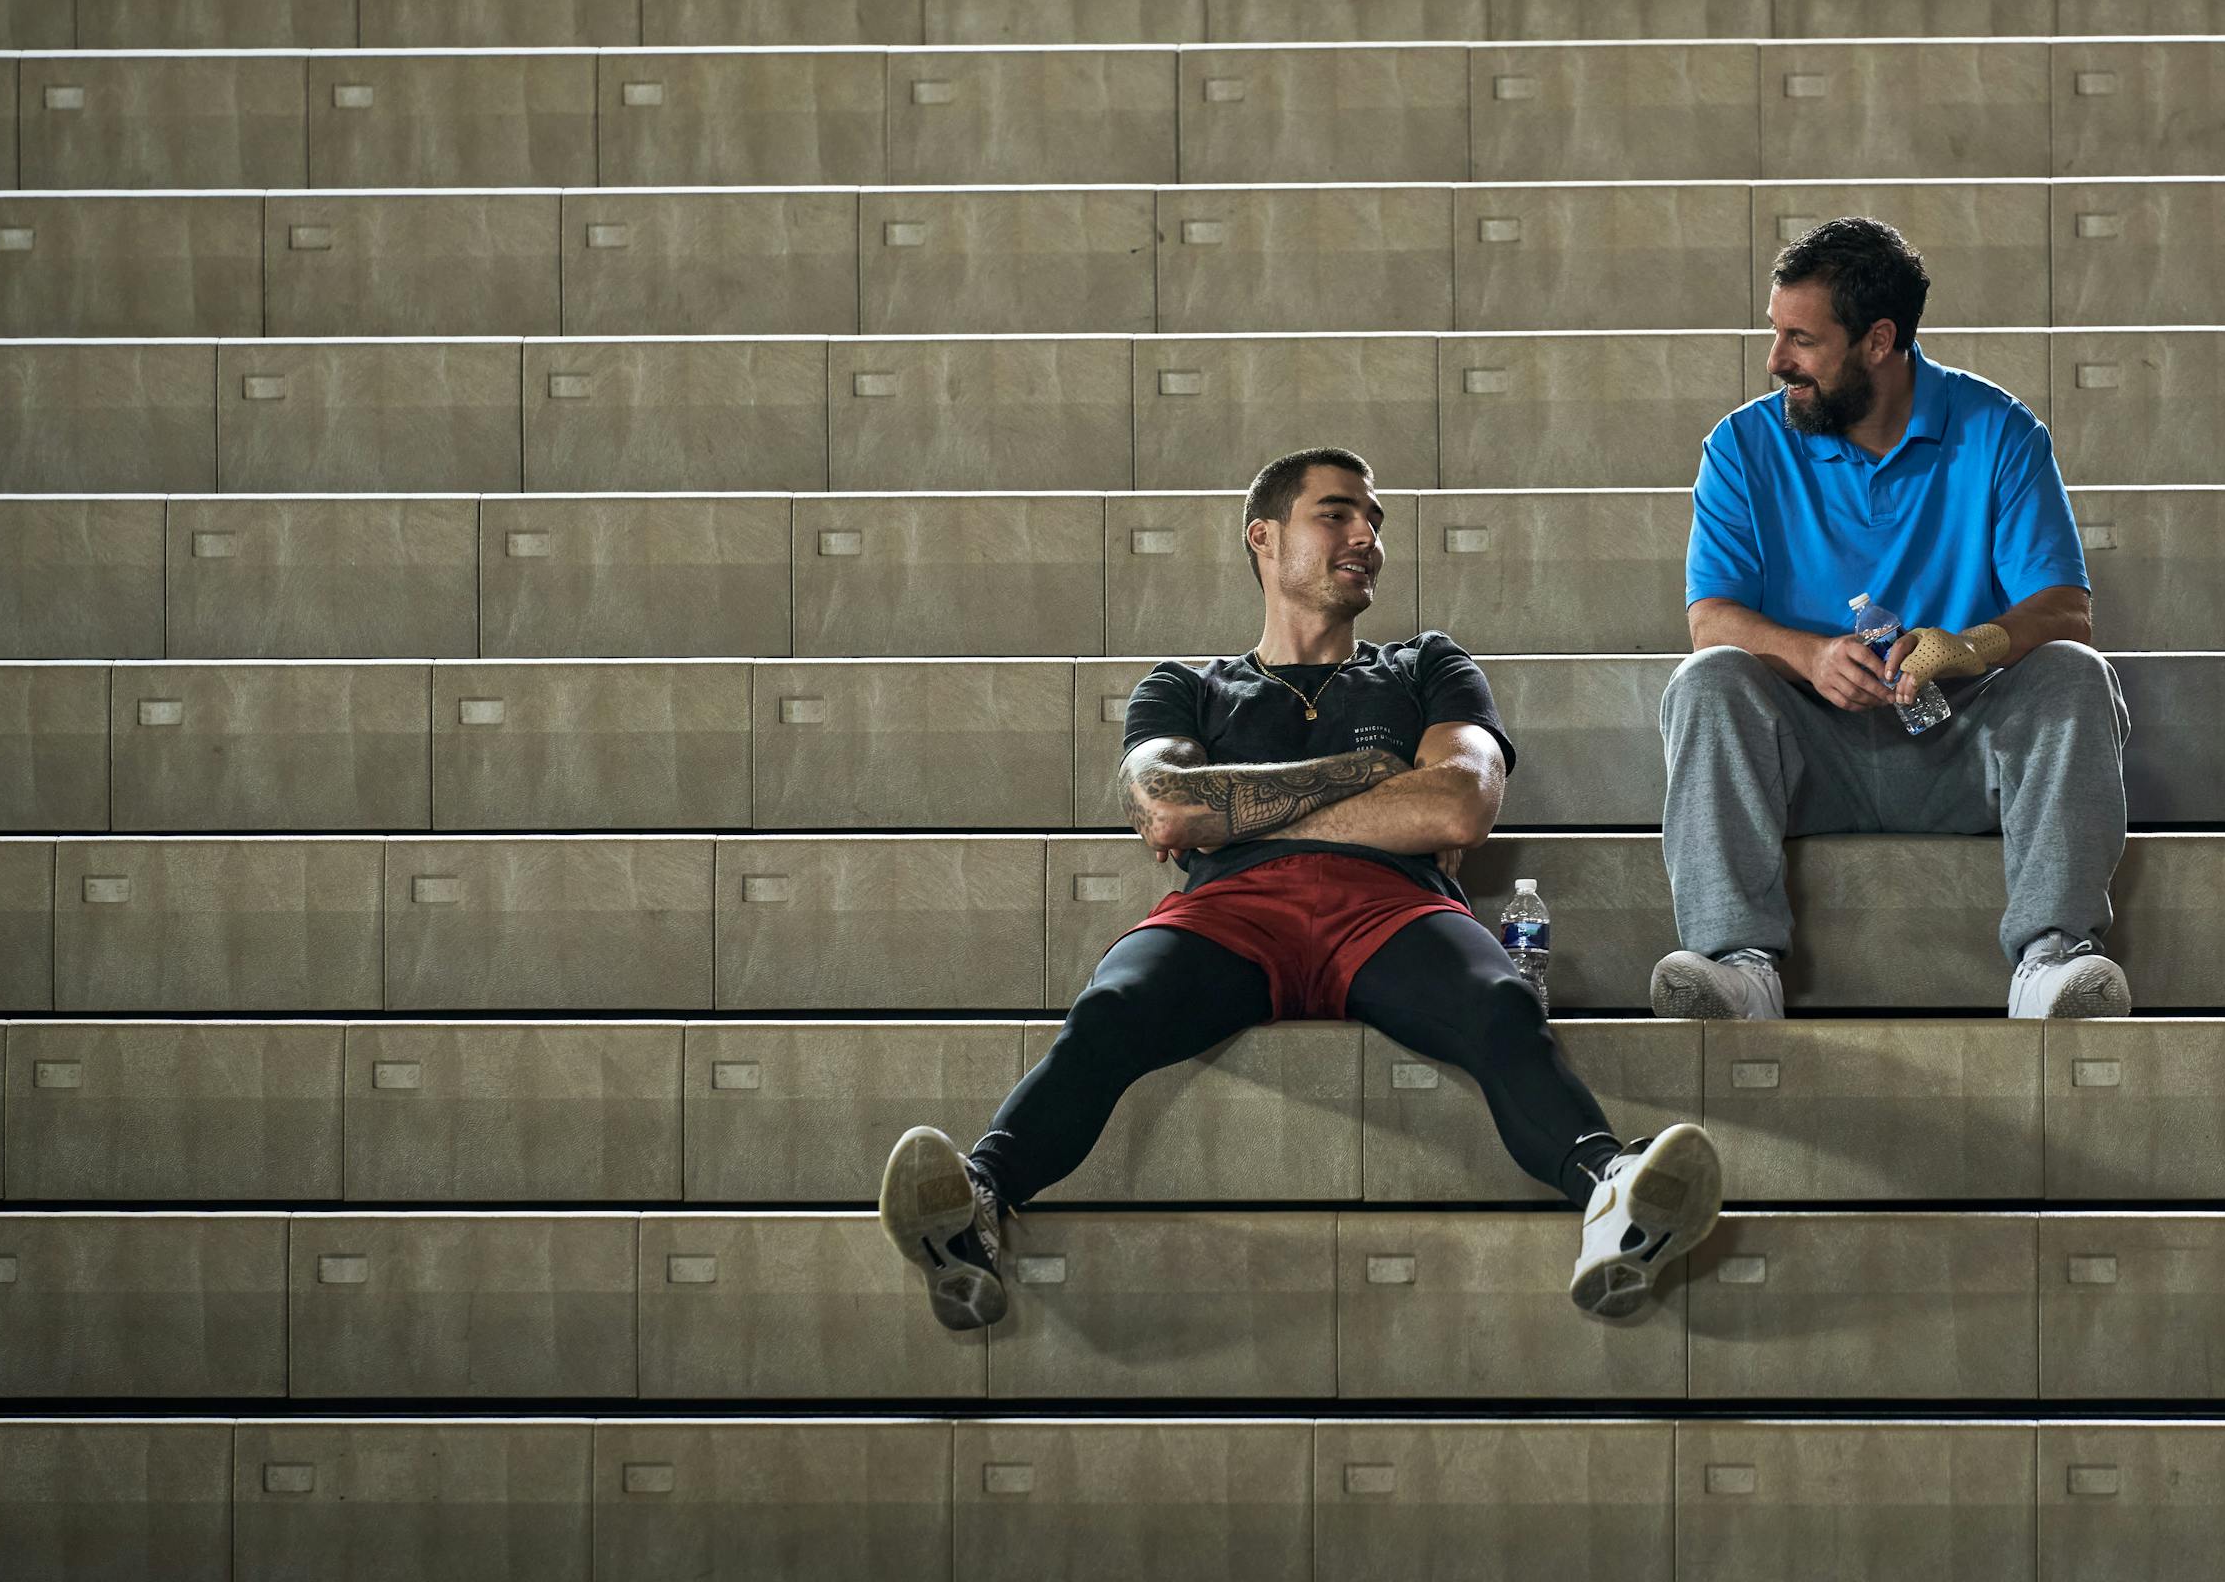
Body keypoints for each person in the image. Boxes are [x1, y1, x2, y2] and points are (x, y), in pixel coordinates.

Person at [879, 447, 1723, 1330]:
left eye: (1375, 521)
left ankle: (1613, 1196)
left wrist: (1241, 810)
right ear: (1265, 537)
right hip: (1228, 917)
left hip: (1391, 909)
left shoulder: (1427, 667)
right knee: (1113, 1010)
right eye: (1337, 513)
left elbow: (1460, 805)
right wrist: (1367, 773)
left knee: (1498, 1004)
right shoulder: (1184, 688)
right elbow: (1166, 809)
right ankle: (976, 1204)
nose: (1368, 536)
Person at [1654, 217, 2134, 1023]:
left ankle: (2052, 959)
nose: (1776, 362)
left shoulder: (2001, 432)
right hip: (1806, 758)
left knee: (2075, 673)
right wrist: (1808, 656)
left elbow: (2067, 610)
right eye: (1777, 334)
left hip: (1960, 749)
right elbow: (1712, 620)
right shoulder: (1741, 447)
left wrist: (1971, 645)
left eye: (1801, 340)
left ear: (1879, 341)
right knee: (1709, 679)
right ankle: (1738, 965)